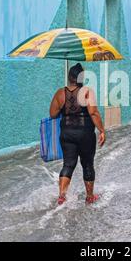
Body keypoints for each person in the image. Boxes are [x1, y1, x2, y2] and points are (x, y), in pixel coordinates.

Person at [49, 63, 106, 205]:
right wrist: (102, 130)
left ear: (69, 77)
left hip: (67, 134)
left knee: (68, 164)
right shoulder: (87, 92)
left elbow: (53, 114)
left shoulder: (60, 93)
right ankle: (90, 196)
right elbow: (93, 112)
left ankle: (62, 196)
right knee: (87, 164)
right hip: (85, 134)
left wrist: (65, 110)